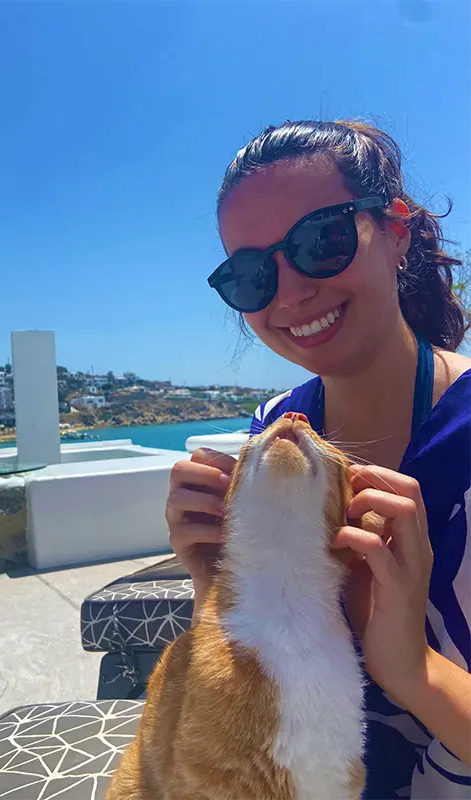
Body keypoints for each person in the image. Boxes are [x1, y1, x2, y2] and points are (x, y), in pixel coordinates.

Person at [166, 120, 471, 797]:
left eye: (321, 240)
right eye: (250, 276)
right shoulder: (273, 429)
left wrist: (412, 669)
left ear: (397, 232)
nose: (290, 292)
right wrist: (218, 587)